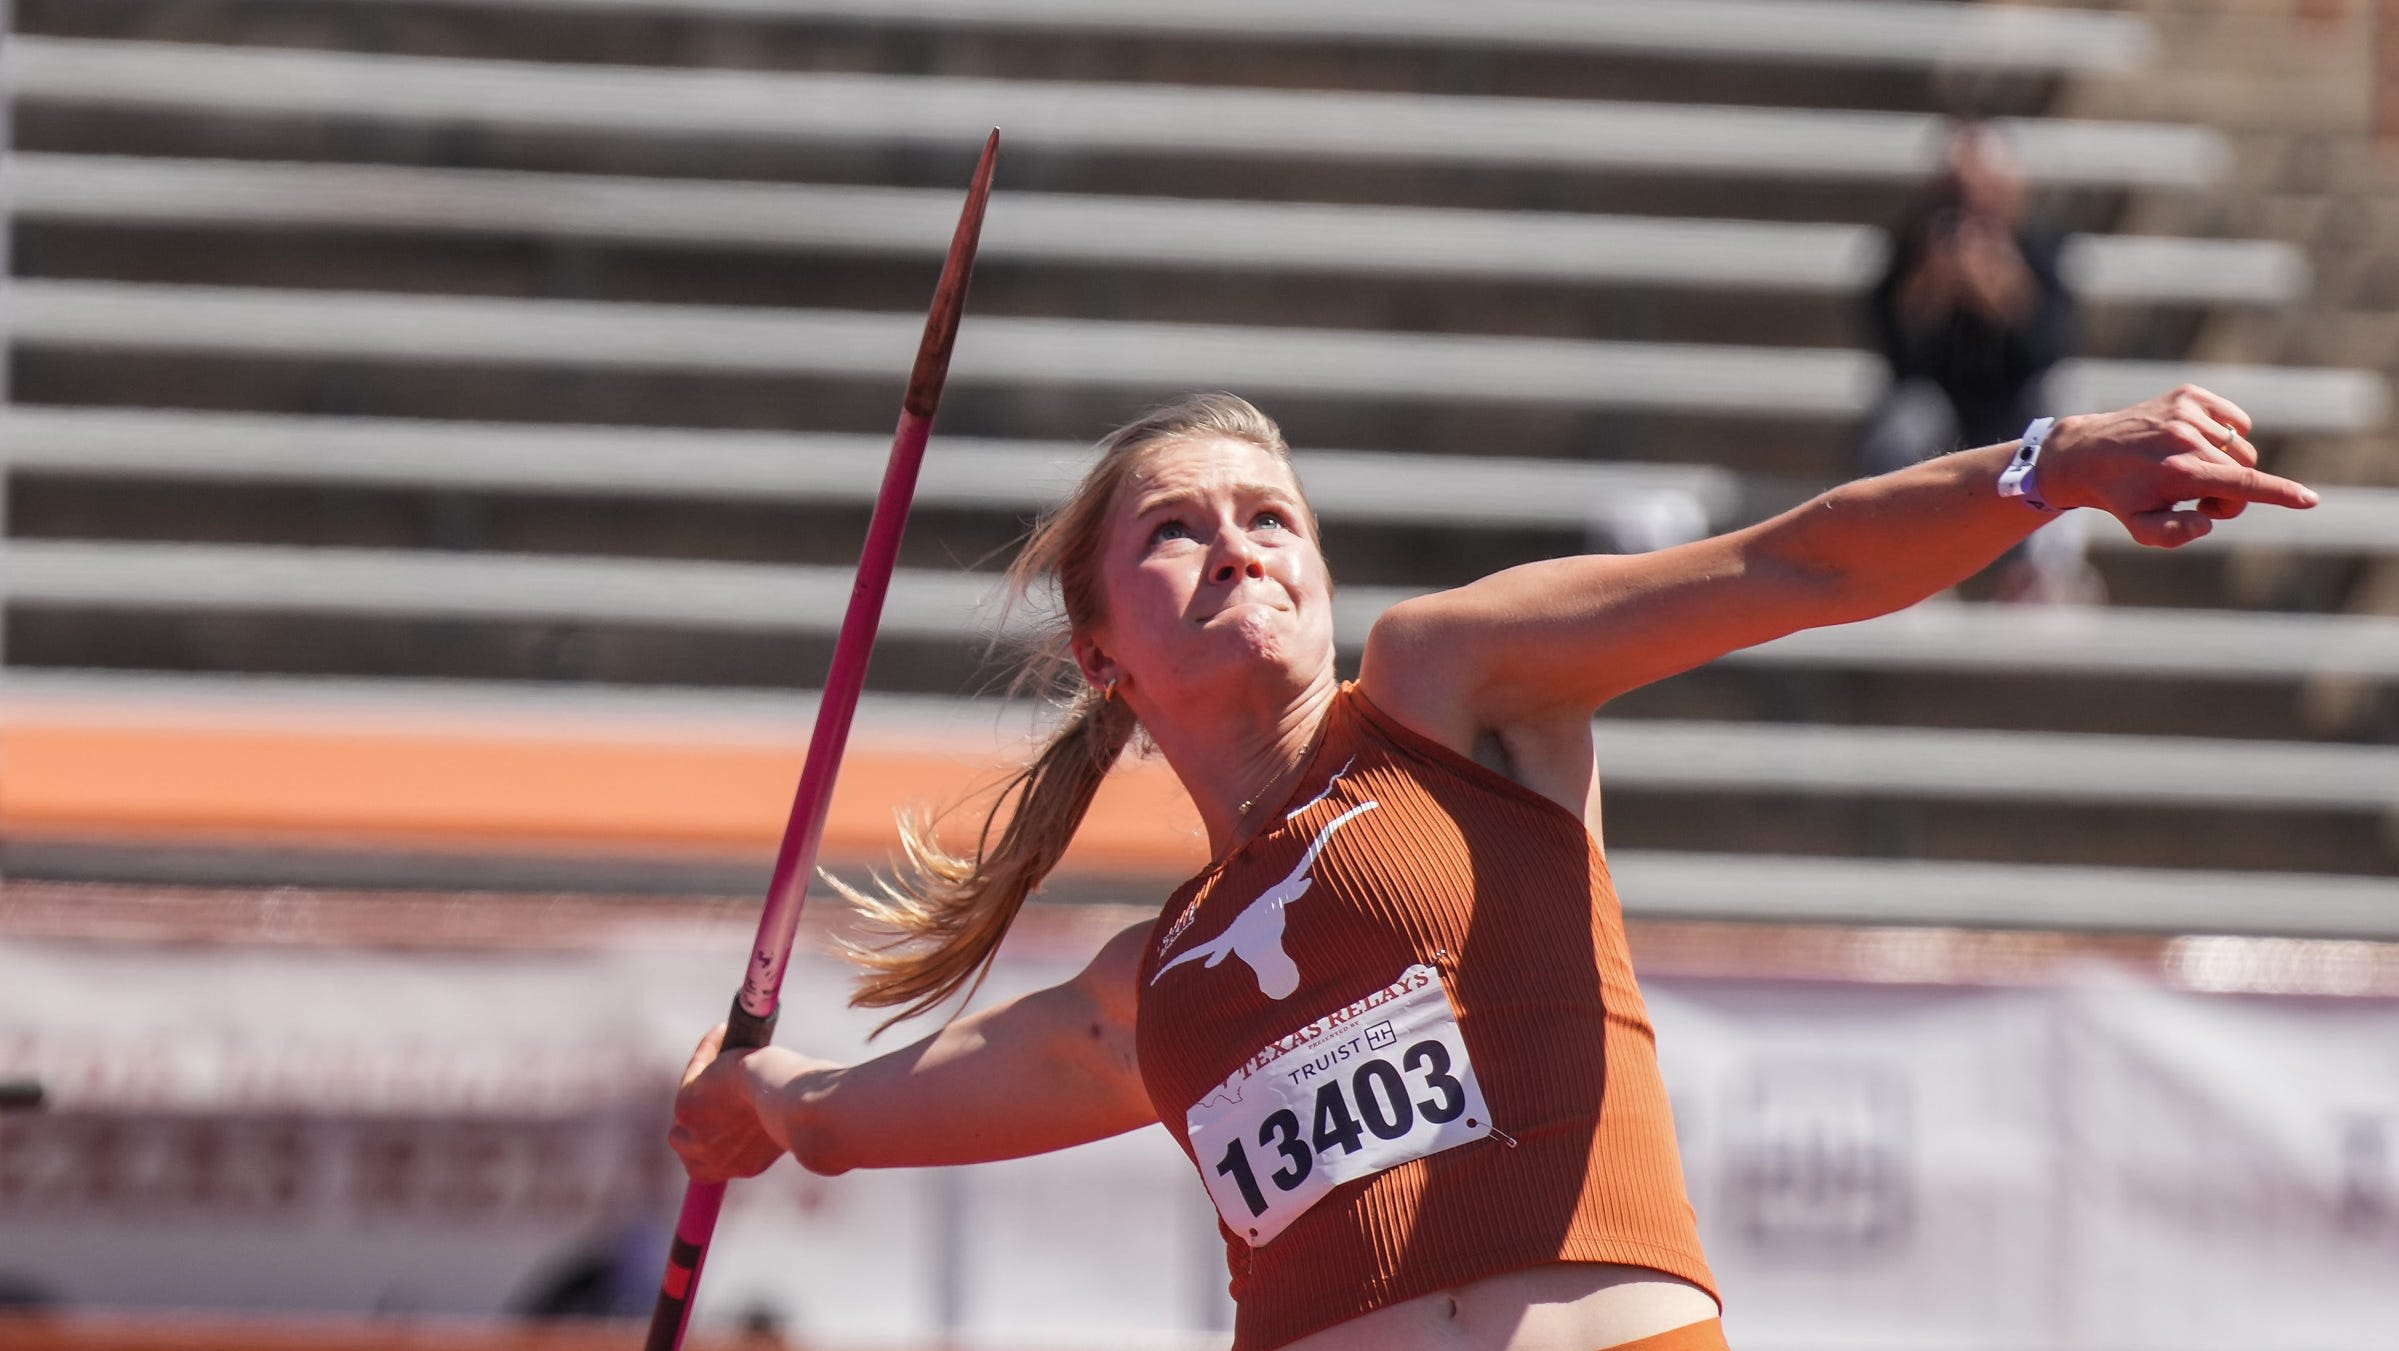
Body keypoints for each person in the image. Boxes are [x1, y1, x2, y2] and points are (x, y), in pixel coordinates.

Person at [672, 386, 2315, 1351]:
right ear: (1101, 656)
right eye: (1175, 527)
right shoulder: (1151, 982)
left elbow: (1787, 562)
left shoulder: (1447, 690)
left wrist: (2043, 471)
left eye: (1272, 514)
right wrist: (762, 1098)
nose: (1239, 539)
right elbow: (859, 1108)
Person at [1861, 122, 2096, 603]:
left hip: (2016, 414)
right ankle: (1905, 566)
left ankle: (2043, 573)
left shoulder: (2042, 247)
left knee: (2064, 416)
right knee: (1905, 420)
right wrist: (1930, 288)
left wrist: (2002, 291)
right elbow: (1894, 357)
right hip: (1941, 416)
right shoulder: (1907, 250)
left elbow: (2050, 349)